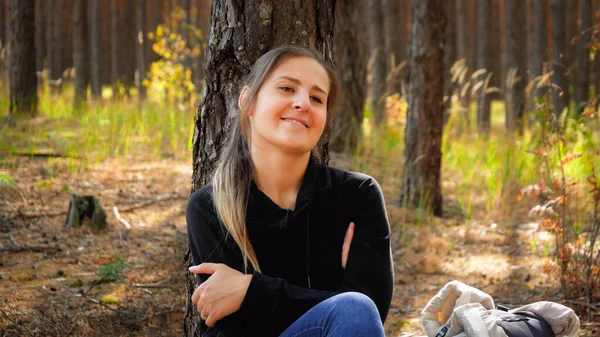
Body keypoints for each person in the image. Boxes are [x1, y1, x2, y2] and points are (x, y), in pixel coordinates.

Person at [186, 45, 394, 337]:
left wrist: (250, 290)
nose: (303, 103)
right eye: (286, 88)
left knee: (355, 308)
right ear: (249, 102)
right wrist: (332, 297)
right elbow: (233, 325)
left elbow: (367, 313)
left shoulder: (357, 196)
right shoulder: (211, 206)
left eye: (317, 98)